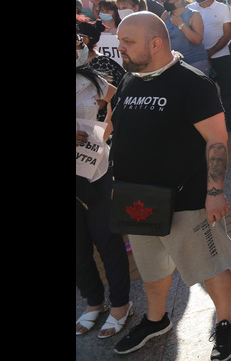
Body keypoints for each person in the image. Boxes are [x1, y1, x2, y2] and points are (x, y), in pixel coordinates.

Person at [110, 13, 231, 360]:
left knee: (209, 265)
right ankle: (156, 320)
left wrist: (215, 192)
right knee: (152, 268)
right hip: (138, 199)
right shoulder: (130, 79)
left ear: (155, 43)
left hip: (187, 200)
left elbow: (217, 139)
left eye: (127, 41)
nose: (119, 47)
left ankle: (225, 321)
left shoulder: (192, 84)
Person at [76, 29, 132, 339]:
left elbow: (114, 113)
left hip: (95, 172)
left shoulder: (94, 81)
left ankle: (120, 304)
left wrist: (105, 125)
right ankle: (93, 302)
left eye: (78, 43)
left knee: (107, 241)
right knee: (78, 249)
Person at [189, 0, 231, 131]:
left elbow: (227, 33)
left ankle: (230, 121)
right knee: (203, 93)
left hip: (221, 56)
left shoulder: (222, 8)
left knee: (226, 90)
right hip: (198, 58)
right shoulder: (189, 8)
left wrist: (211, 52)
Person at [161, 0, 208, 73]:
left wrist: (181, 25)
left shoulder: (194, 15)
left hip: (194, 62)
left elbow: (198, 40)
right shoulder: (166, 14)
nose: (165, 2)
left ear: (179, 1)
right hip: (173, 63)